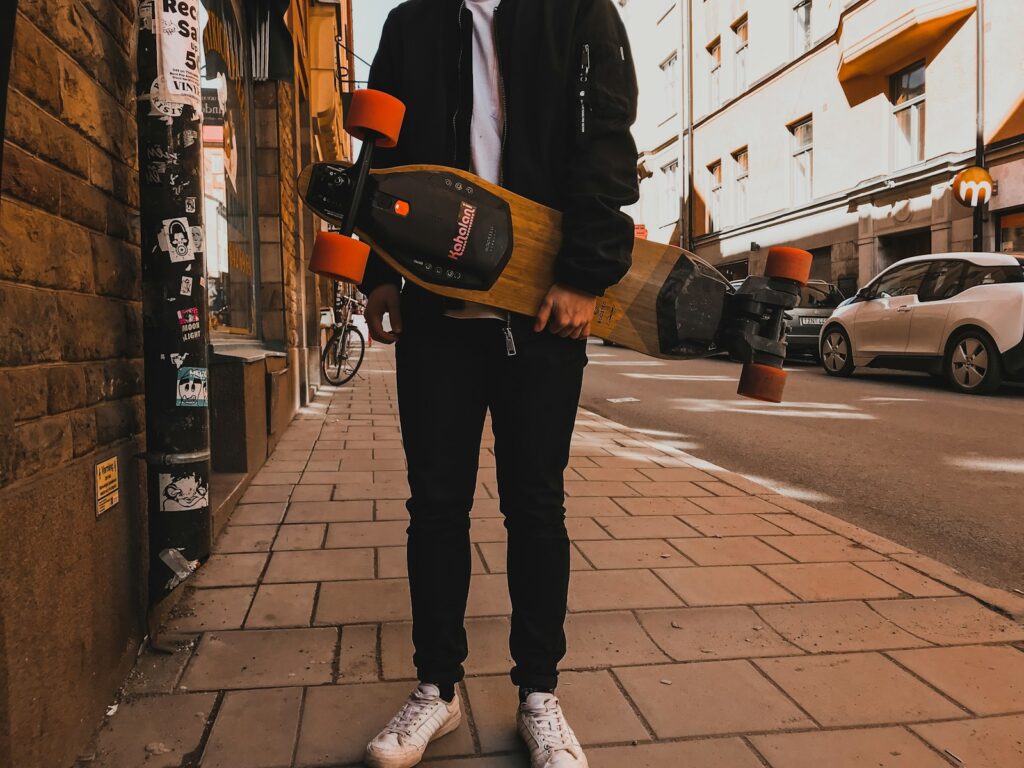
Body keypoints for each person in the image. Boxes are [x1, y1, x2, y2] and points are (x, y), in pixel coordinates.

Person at [359, 2, 638, 767]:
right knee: (436, 507)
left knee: (535, 507)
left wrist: (584, 273)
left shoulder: (577, 13)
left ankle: (539, 695)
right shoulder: (411, 24)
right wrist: (379, 274)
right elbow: (381, 166)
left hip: (544, 311)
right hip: (435, 314)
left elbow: (607, 146)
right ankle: (437, 691)